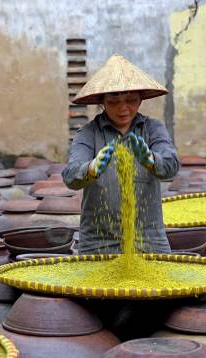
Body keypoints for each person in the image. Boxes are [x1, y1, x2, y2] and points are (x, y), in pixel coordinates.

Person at [62, 54, 179, 254]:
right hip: (98, 240)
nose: (123, 108)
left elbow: (171, 165)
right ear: (102, 102)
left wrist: (152, 161)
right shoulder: (88, 133)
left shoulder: (152, 129)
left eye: (131, 100)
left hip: (149, 239)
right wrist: (90, 169)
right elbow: (71, 175)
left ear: (140, 100)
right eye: (114, 101)